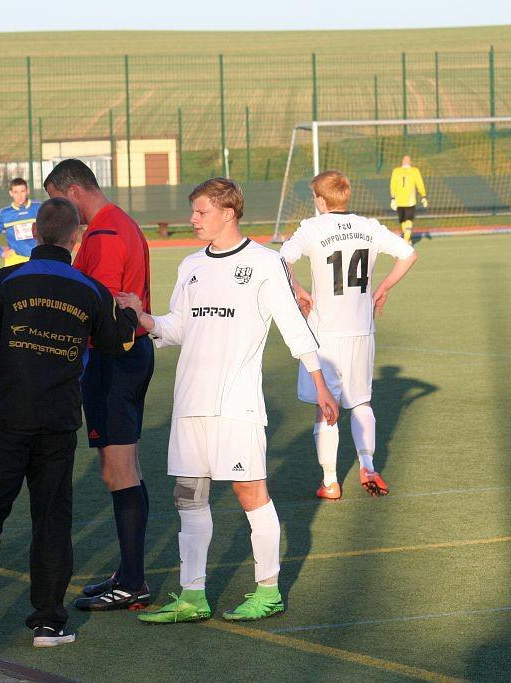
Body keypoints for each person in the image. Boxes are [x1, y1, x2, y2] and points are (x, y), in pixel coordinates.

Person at [116, 178, 339, 624]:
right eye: (193, 212)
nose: (193, 219)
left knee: (249, 492)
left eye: (200, 212)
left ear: (228, 213)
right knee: (188, 496)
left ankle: (268, 591)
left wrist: (320, 382)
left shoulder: (264, 263)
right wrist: (142, 317)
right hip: (189, 404)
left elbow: (293, 326)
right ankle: (192, 596)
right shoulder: (191, 265)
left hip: (237, 405)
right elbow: (178, 327)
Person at [0, 197, 138, 655]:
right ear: (76, 238)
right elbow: (120, 342)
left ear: (33, 233)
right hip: (57, 423)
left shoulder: (2, 281)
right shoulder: (90, 289)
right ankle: (49, 623)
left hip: (5, 418)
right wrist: (130, 311)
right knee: (51, 520)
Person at [42, 159, 155, 612]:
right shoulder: (119, 221)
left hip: (115, 358)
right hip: (128, 354)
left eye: (55, 199)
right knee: (124, 467)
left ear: (72, 191)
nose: (55, 209)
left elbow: (102, 306)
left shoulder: (105, 232)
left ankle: (133, 582)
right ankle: (129, 574)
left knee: (117, 468)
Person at [282, 170, 417, 500]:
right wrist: (383, 288)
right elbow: (409, 254)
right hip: (361, 330)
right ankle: (367, 465)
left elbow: (281, 259)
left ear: (320, 200)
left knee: (325, 406)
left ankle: (330, 482)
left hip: (325, 334)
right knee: (361, 402)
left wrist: (298, 290)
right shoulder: (369, 227)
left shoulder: (312, 228)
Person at [0, 178, 40, 266]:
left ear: (28, 191)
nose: (19, 196)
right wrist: (1, 252)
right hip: (15, 260)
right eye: (15, 192)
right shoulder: (4, 213)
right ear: (10, 193)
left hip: (37, 258)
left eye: (22, 191)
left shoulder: (39, 208)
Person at [389, 156, 428, 244]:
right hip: (410, 201)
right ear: (410, 162)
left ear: (402, 162)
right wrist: (423, 196)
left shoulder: (396, 171)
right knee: (409, 220)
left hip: (399, 201)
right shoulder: (415, 170)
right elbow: (420, 184)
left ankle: (406, 239)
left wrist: (393, 198)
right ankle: (407, 240)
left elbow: (392, 185)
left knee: (402, 220)